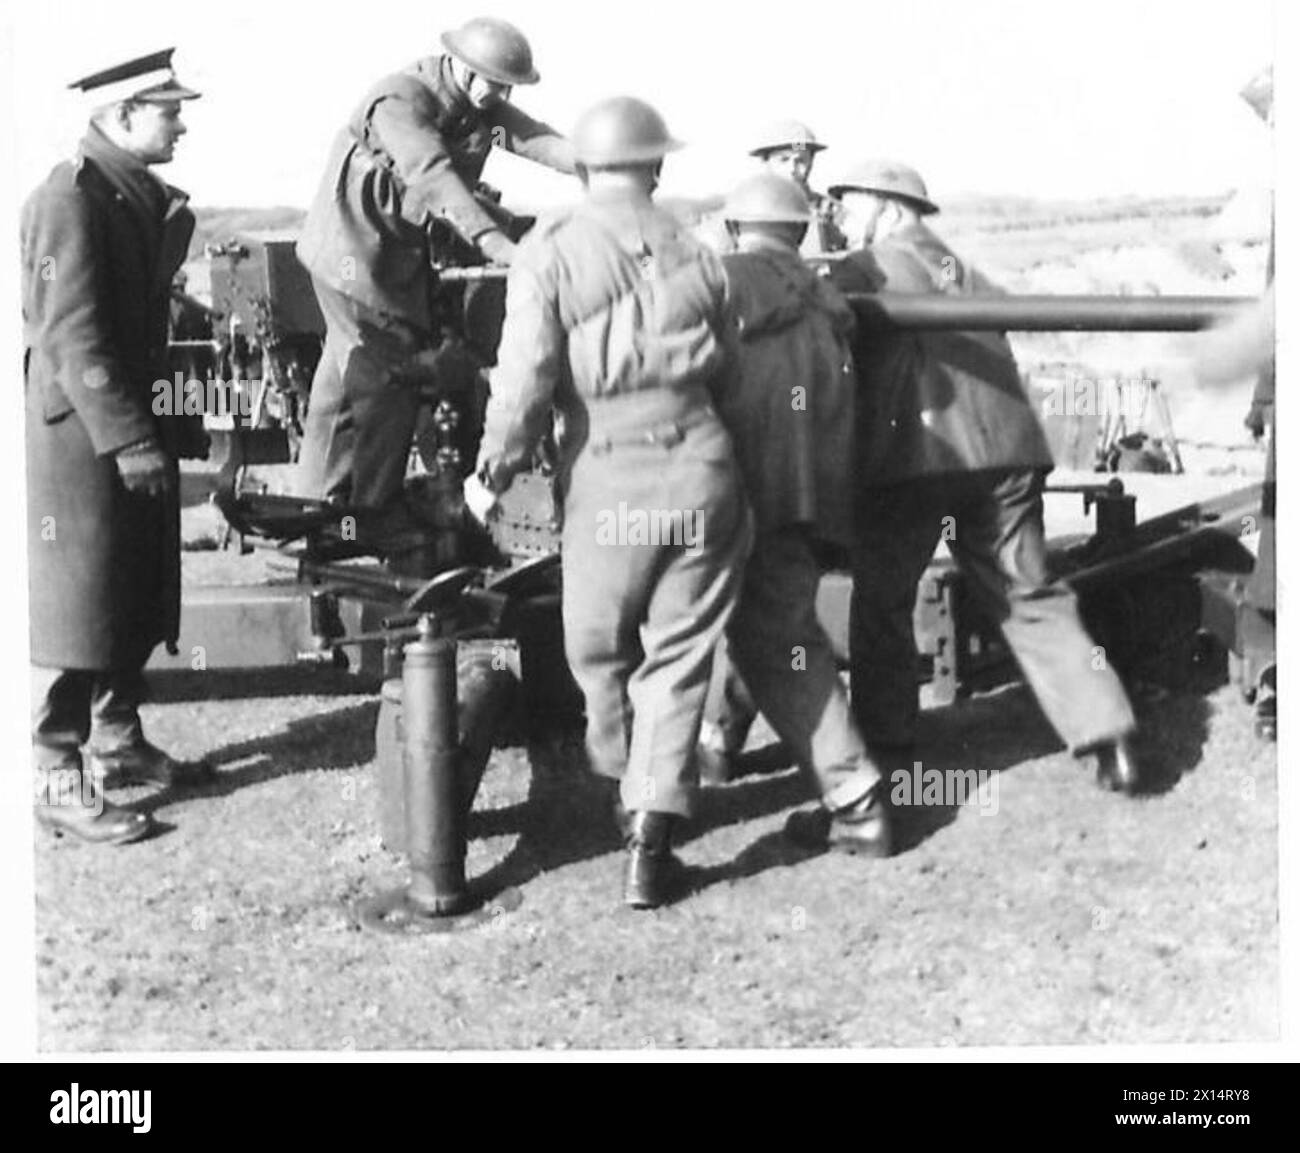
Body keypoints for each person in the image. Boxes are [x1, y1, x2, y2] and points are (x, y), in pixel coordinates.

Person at [466, 96, 752, 908]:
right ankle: (651, 838)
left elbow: (523, 385)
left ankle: (619, 781)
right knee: (681, 652)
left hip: (605, 470)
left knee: (596, 648)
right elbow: (729, 372)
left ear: (584, 167)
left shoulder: (548, 249)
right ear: (657, 166)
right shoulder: (700, 251)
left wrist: (491, 476)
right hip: (701, 464)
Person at [829, 160, 1142, 793]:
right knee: (1029, 595)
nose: (836, 216)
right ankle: (1114, 740)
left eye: (846, 204)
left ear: (886, 210)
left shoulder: (860, 271)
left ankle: (884, 751)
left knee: (883, 603)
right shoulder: (964, 270)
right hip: (1008, 453)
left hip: (916, 459)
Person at [24, 49, 214, 846]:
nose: (182, 121)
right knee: (82, 598)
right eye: (169, 109)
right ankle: (56, 771)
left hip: (127, 422)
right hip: (85, 433)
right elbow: (72, 332)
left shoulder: (127, 194)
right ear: (122, 114)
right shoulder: (70, 200)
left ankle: (118, 740)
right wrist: (128, 435)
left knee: (131, 586)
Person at [295, 16, 575, 546]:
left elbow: (532, 138)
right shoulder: (401, 100)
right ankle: (371, 520)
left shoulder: (480, 107)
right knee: (386, 381)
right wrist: (496, 245)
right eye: (494, 83)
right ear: (461, 67)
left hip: (389, 263)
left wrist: (596, 161)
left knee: (340, 384)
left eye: (508, 86)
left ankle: (317, 510)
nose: (501, 95)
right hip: (354, 261)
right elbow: (432, 175)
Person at [709, 172, 890, 854]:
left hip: (724, 496)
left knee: (686, 639)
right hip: (802, 505)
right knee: (776, 633)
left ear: (733, 230)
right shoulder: (826, 304)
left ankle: (857, 798)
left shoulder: (716, 287)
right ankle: (716, 751)